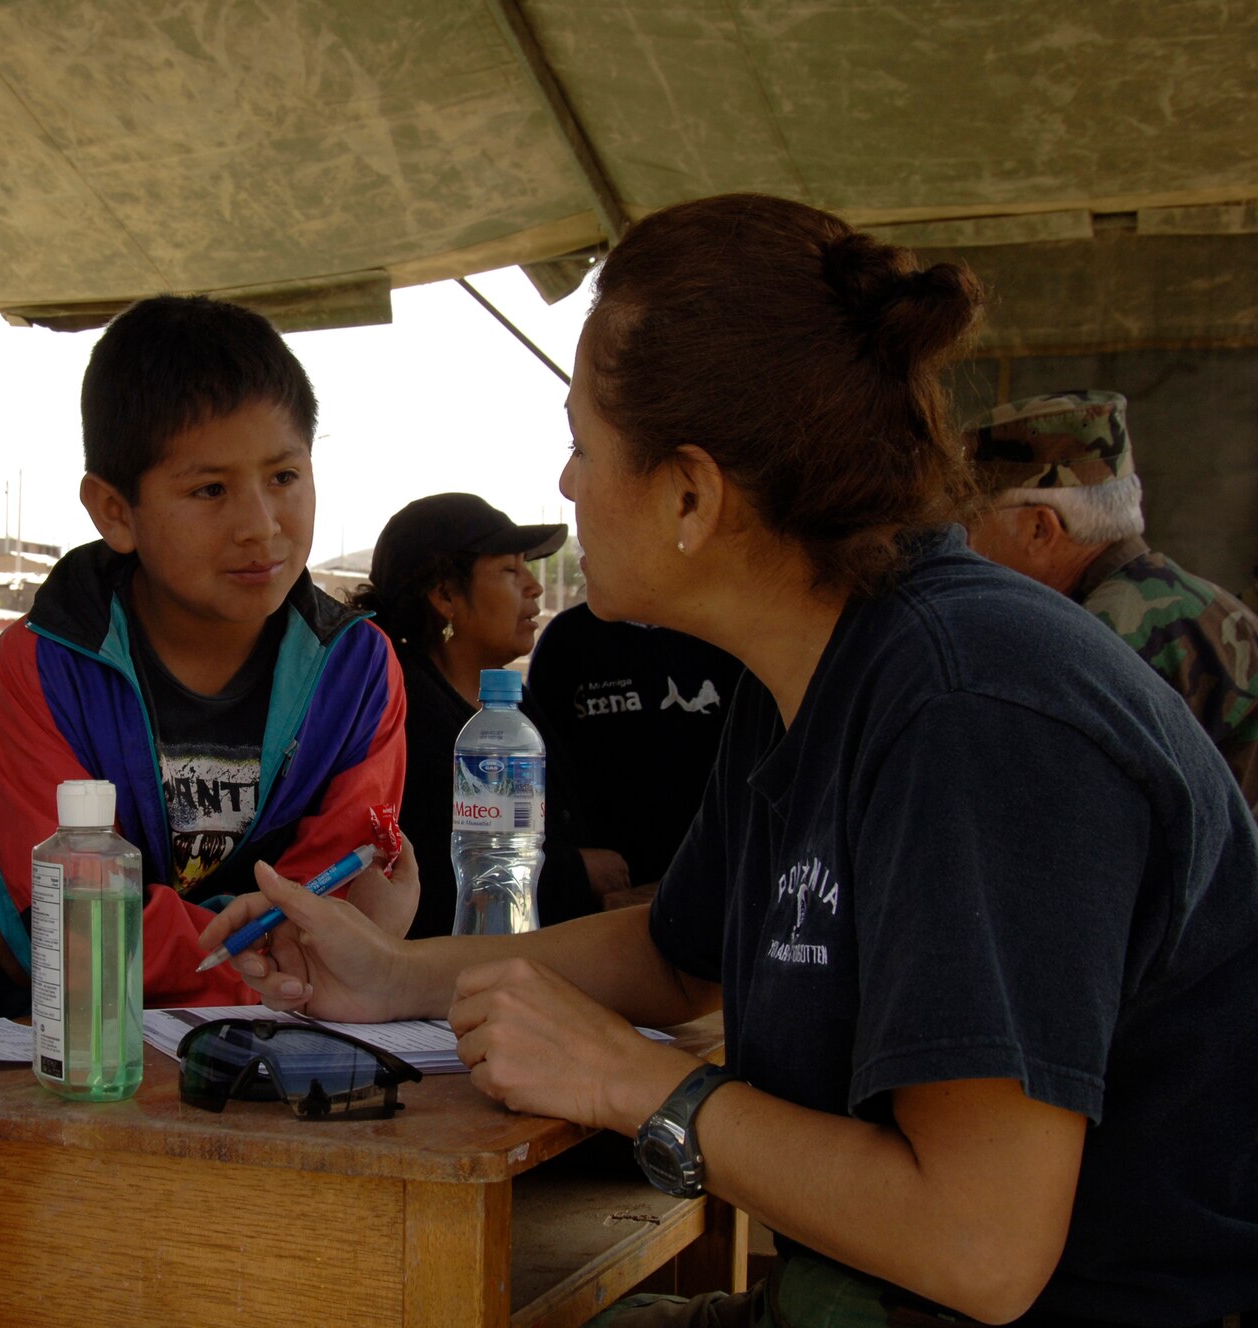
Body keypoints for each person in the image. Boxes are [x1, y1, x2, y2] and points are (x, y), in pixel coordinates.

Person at [201, 194, 1258, 1324]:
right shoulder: (814, 668)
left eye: (580, 444)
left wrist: (630, 1077)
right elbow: (677, 953)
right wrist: (393, 973)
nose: (565, 487)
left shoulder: (965, 710)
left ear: (692, 495)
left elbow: (976, 1243)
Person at [0, 294, 412, 1008]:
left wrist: (295, 958)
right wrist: (277, 974)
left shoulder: (357, 672)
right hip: (88, 1054)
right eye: (210, 490)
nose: (261, 527)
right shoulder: (43, 667)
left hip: (282, 1041)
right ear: (115, 511)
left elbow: (335, 895)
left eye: (284, 477)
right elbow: (74, 919)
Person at [964, 390, 1258, 811]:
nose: (968, 543)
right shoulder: (1214, 603)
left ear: (1039, 529)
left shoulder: (1090, 642)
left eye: (973, 520)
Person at [350, 492, 585, 936]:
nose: (534, 586)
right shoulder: (403, 714)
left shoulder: (508, 704)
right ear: (444, 595)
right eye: (511, 570)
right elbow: (439, 873)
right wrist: (578, 873)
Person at [523, 604, 743, 907]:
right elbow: (545, 777)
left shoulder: (722, 631)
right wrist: (572, 872)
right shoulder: (568, 638)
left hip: (716, 888)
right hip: (606, 895)